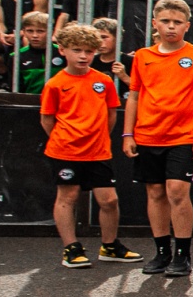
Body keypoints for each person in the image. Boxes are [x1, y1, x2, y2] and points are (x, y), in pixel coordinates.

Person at [122, 0, 193, 278]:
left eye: (177, 22)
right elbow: (134, 97)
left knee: (177, 191)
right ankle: (162, 252)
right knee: (155, 192)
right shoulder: (143, 56)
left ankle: (182, 255)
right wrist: (128, 134)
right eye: (165, 21)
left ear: (187, 25)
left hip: (183, 136)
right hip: (148, 135)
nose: (171, 26)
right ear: (155, 23)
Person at [41, 22, 139, 268]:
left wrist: (99, 137)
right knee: (68, 196)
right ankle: (71, 248)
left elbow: (111, 114)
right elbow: (47, 119)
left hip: (98, 152)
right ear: (62, 50)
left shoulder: (103, 81)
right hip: (65, 150)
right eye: (77, 50)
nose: (83, 56)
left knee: (109, 200)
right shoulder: (55, 83)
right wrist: (66, 138)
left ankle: (109, 246)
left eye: (89, 51)